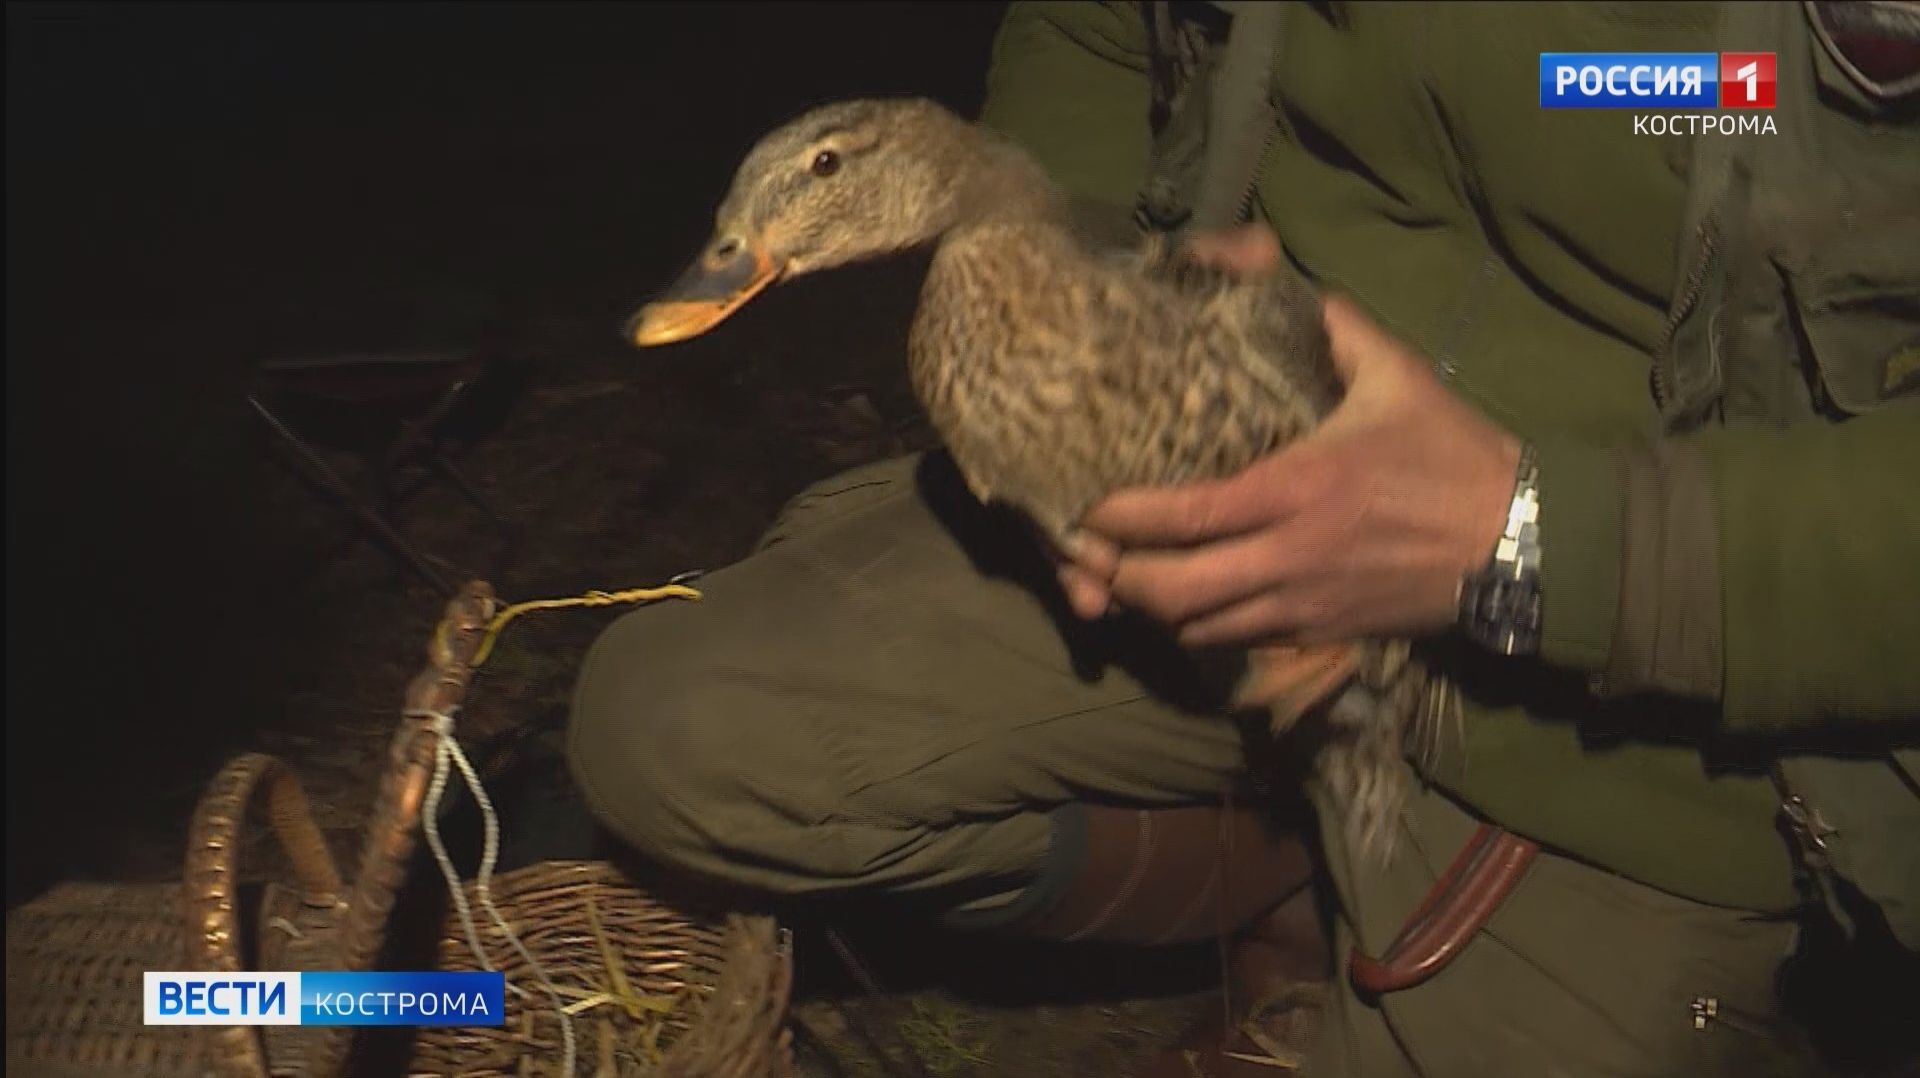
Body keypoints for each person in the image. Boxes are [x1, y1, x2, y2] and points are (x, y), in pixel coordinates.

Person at [569, 3, 1920, 1074]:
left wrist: (1528, 539)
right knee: (682, 731)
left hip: (1630, 686)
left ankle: (1381, 876)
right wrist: (1081, 306)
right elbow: (1098, 29)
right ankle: (1282, 858)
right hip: (1223, 460)